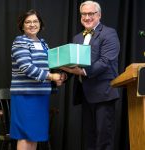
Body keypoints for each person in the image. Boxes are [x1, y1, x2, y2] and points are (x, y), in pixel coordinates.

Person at [60, 1, 120, 150]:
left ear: (98, 15)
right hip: (85, 94)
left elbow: (105, 61)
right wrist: (63, 75)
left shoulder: (109, 33)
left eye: (90, 13)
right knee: (89, 138)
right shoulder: (77, 38)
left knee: (103, 139)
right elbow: (74, 64)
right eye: (83, 14)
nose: (87, 17)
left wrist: (83, 72)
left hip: (103, 94)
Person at [10, 9, 66, 150]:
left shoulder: (43, 44)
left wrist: (59, 76)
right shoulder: (20, 42)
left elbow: (50, 66)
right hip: (25, 95)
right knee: (25, 135)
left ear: (40, 24)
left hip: (41, 95)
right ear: (22, 26)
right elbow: (26, 67)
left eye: (35, 21)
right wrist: (51, 76)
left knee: (34, 135)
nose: (32, 24)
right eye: (28, 22)